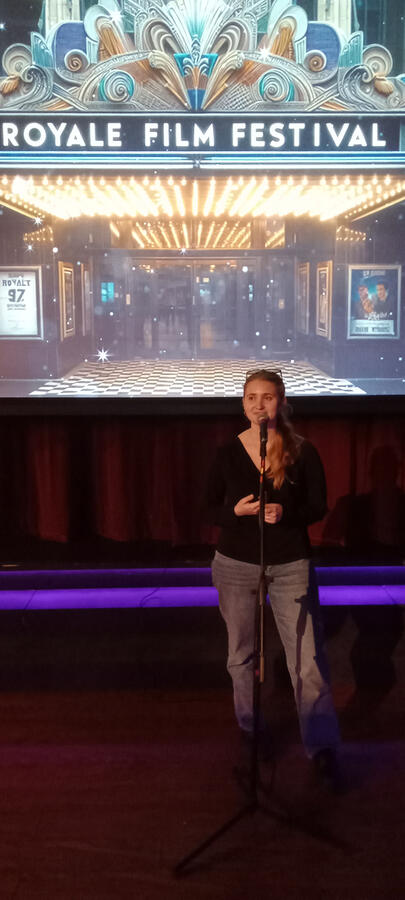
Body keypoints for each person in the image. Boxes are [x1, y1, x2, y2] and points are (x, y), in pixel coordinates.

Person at [206, 369, 341, 788]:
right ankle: (250, 732)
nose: (259, 405)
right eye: (252, 397)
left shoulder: (302, 451)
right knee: (241, 656)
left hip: (289, 563)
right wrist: (235, 513)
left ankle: (320, 747)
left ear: (281, 402)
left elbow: (318, 506)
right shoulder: (227, 453)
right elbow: (208, 508)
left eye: (268, 397)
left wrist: (287, 515)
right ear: (242, 404)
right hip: (236, 562)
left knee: (306, 658)